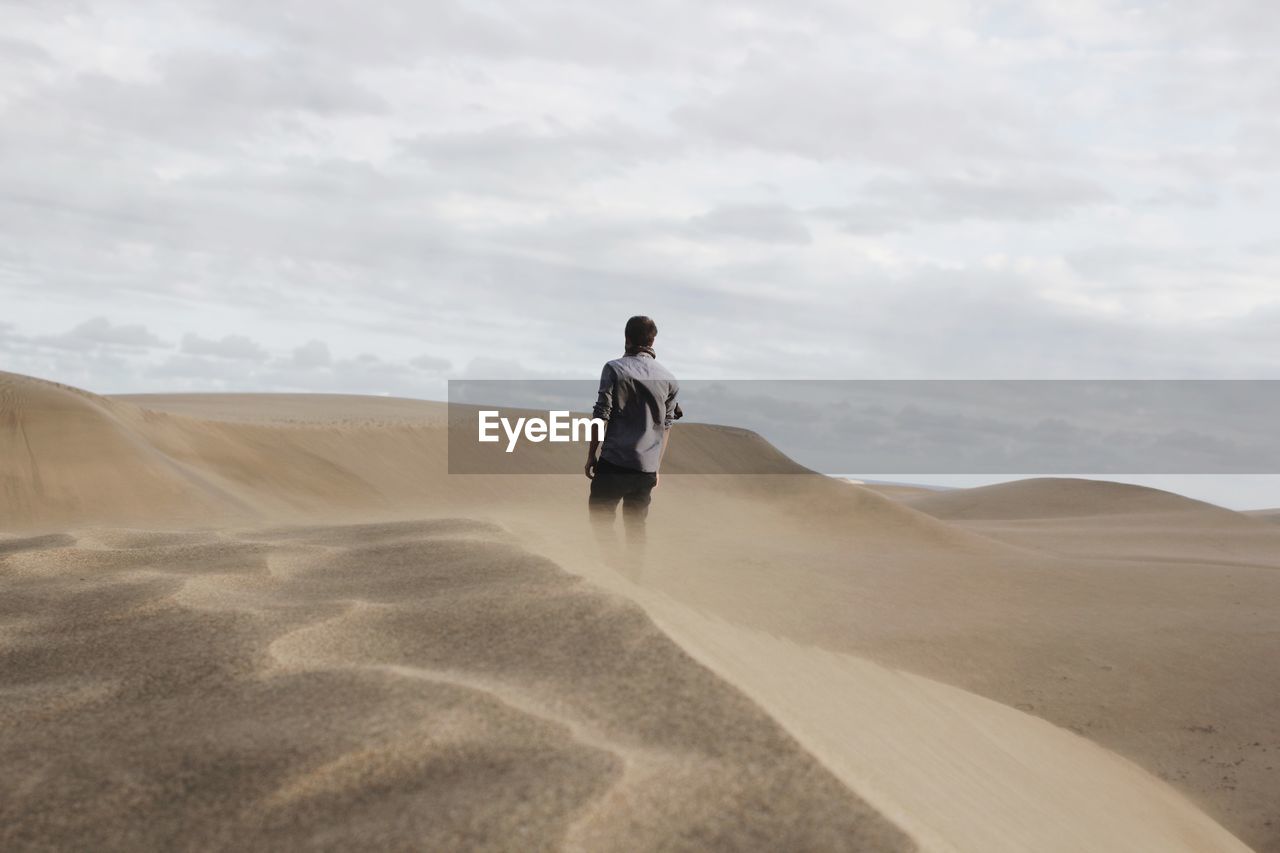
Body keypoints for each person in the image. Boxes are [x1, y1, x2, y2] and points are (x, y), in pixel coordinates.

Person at [584, 315, 680, 547]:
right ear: (652, 341)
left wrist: (591, 455)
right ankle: (630, 578)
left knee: (600, 519)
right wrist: (656, 466)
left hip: (615, 461)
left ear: (626, 338)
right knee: (636, 528)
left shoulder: (614, 369)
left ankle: (613, 570)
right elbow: (666, 427)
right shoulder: (669, 379)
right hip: (645, 468)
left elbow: (601, 415)